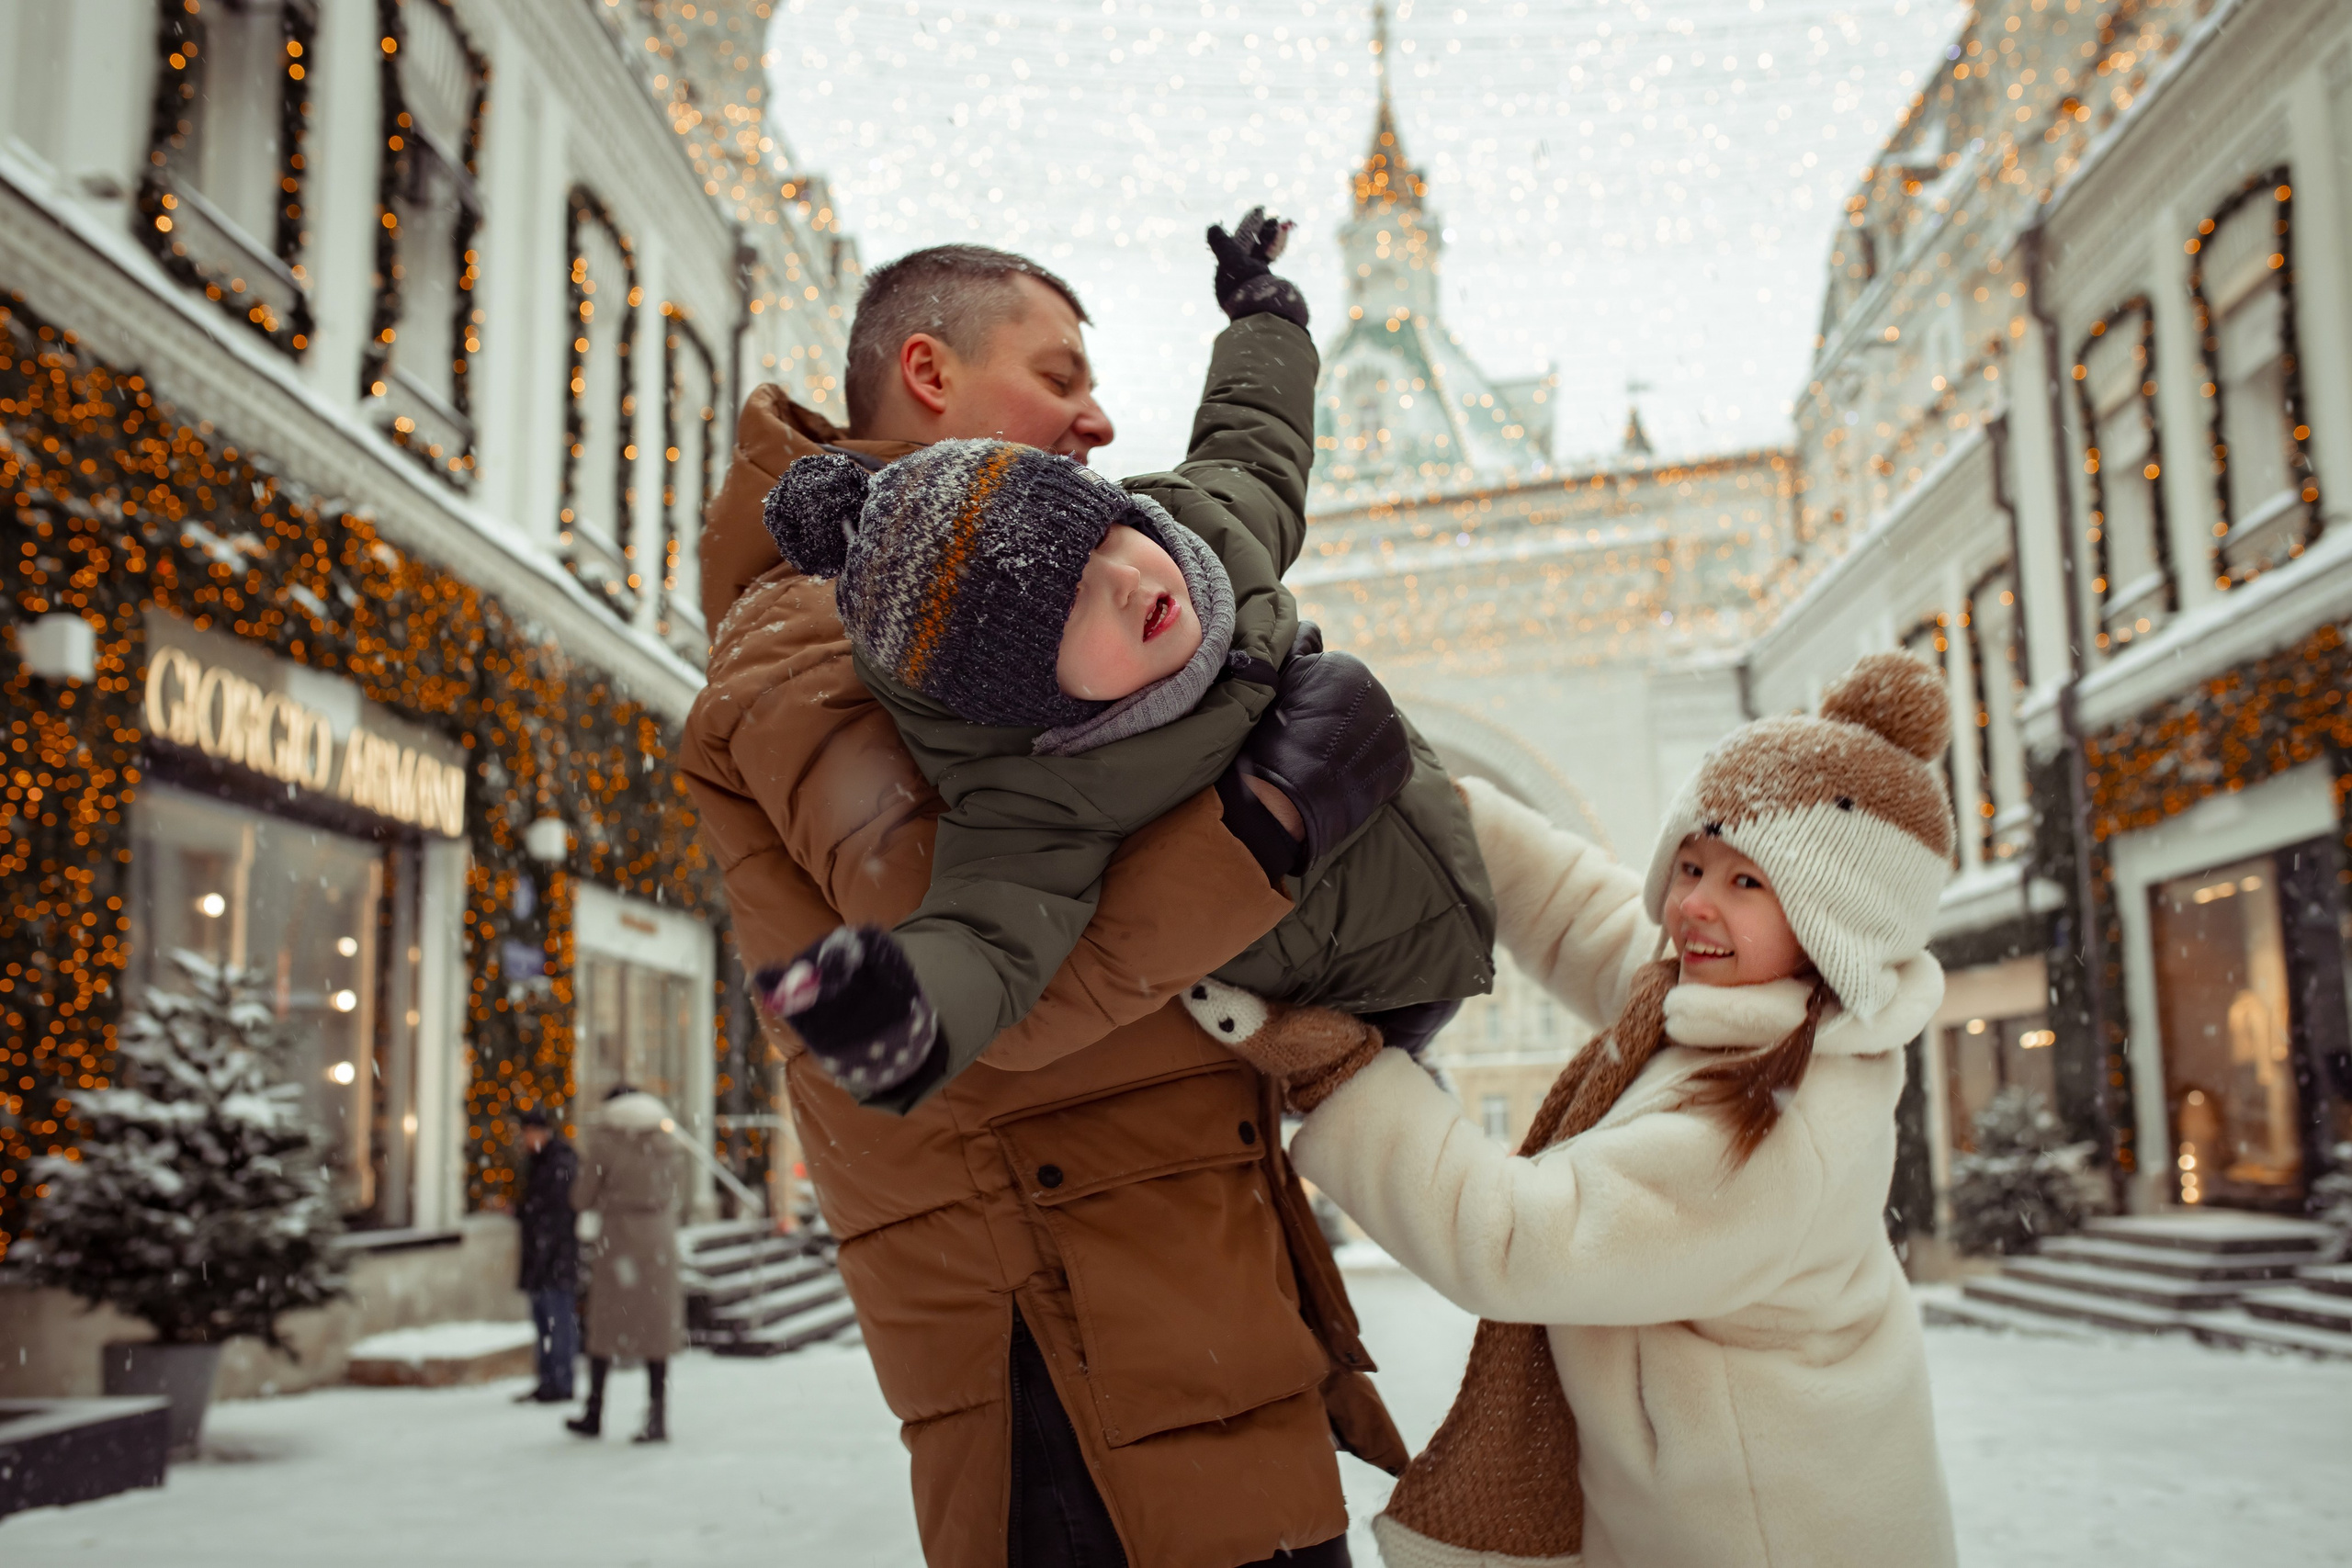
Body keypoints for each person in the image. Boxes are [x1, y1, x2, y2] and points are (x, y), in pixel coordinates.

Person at [680, 236, 1408, 1566]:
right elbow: (999, 982)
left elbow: (1249, 464)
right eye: (1059, 372)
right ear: (930, 373)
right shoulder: (814, 639)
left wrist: (1264, 325)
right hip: (1072, 1360)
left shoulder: (1068, 569)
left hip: (1165, 1308)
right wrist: (1275, 819)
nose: (1100, 417)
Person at [1200, 651, 1962, 1568]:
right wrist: (1443, 817)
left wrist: (1339, 1070)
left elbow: (1515, 1240)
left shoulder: (1777, 1133)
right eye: (1690, 864)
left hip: (1759, 1536)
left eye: (1746, 882)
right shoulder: (1739, 1007)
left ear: (1834, 924)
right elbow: (1572, 913)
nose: (1694, 907)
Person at [754, 212, 1492, 1114]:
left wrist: (1265, 321)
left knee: (1608, 913)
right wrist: (905, 1007)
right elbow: (990, 932)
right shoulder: (1044, 790)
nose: (1130, 581)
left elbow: (1252, 441)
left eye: (1108, 537)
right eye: (1069, 605)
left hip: (1449, 840)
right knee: (1406, 1135)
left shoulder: (1201, 534)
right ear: (1032, 698)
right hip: (1358, 993)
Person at [567, 1084, 689, 1445]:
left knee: (604, 1325)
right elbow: (677, 1186)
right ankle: (657, 1415)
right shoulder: (668, 1140)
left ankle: (595, 1410)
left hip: (619, 1239)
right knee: (656, 1329)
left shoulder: (605, 1141)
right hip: (659, 1239)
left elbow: (581, 1197)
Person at [512, 1108, 580, 1404]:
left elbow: (555, 1213)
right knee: (545, 1323)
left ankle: (559, 1382)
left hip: (554, 1259)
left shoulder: (558, 1163)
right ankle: (549, 1380)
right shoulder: (541, 1162)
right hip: (543, 1258)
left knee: (557, 1322)